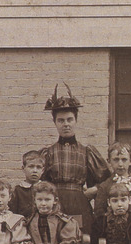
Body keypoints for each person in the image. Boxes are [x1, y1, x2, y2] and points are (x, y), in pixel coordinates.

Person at [40, 84, 110, 231]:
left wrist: (93, 190)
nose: (66, 124)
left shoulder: (86, 152)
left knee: (80, 241)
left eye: (69, 119)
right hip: (54, 204)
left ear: (76, 121)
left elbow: (106, 179)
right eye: (61, 120)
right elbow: (40, 184)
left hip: (79, 203)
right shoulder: (48, 153)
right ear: (55, 123)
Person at [91, 142, 131, 216]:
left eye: (124, 160)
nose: (120, 164)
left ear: (130, 161)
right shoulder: (104, 186)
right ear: (109, 161)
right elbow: (99, 214)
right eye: (116, 160)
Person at [10, 150, 46, 218]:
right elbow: (13, 213)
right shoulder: (17, 191)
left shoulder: (46, 189)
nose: (35, 170)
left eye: (38, 167)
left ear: (43, 170)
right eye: (31, 166)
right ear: (23, 168)